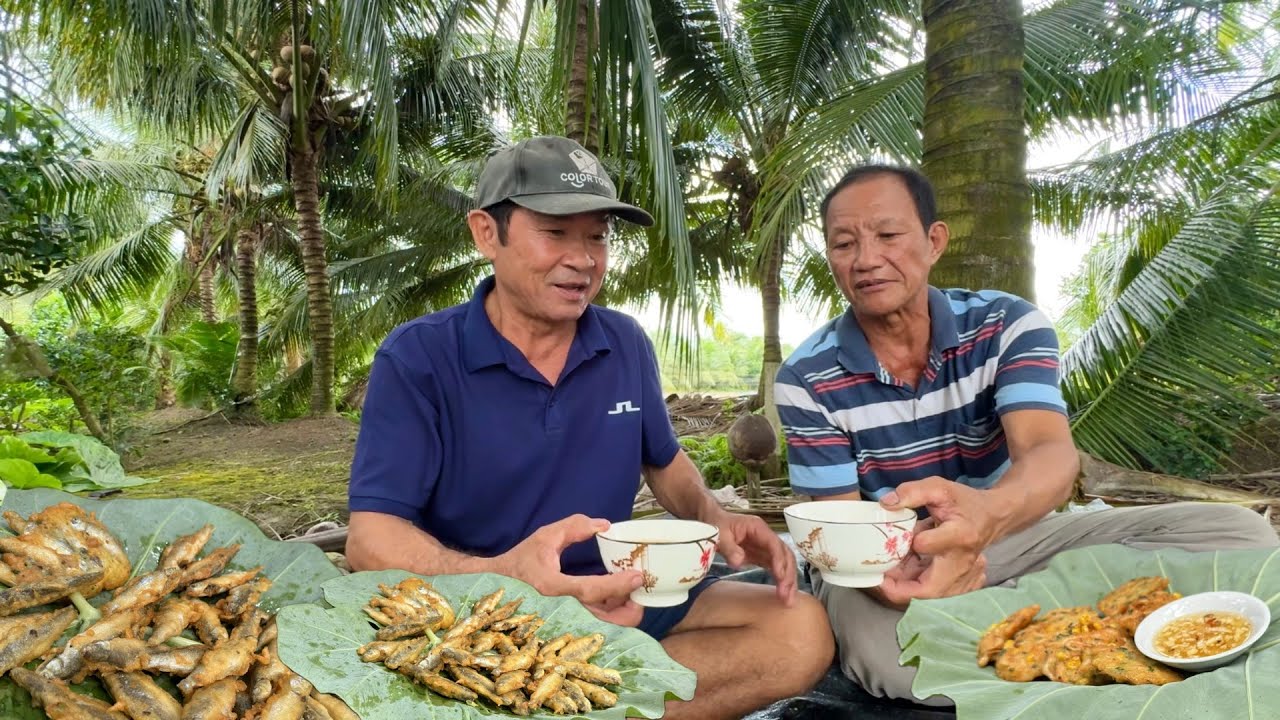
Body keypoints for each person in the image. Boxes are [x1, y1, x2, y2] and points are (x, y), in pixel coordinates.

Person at [345, 135, 834, 720]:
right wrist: (506, 574)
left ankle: (565, 698)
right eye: (555, 233)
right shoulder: (420, 357)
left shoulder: (623, 342)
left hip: (621, 591)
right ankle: (560, 692)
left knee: (800, 628)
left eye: (597, 236)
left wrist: (714, 517)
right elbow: (371, 539)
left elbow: (665, 462)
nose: (583, 259)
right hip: (482, 610)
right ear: (485, 234)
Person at [775, 164, 1280, 705]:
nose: (867, 258)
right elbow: (841, 528)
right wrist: (894, 582)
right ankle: (1045, 621)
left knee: (1237, 533)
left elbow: (1048, 454)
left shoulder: (1007, 325)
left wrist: (986, 518)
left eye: (888, 235)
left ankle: (1005, 620)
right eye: (843, 243)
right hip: (889, 563)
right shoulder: (805, 378)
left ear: (934, 240)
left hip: (1011, 531)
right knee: (891, 665)